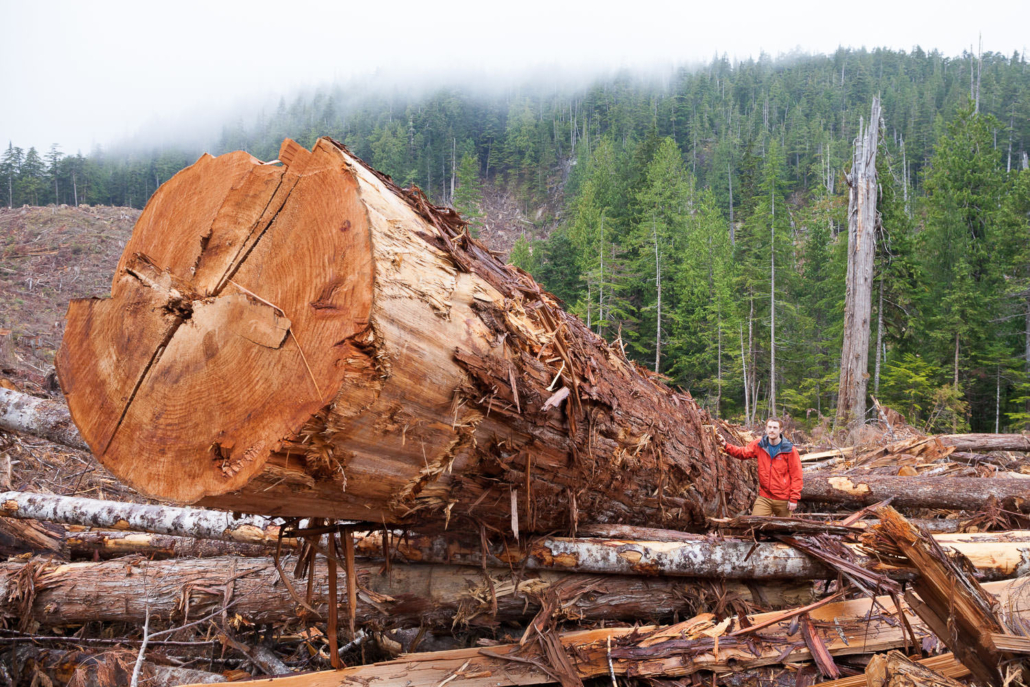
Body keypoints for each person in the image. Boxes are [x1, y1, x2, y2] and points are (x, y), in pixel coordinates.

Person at [716, 418, 802, 517]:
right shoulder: (760, 444)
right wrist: (725, 445)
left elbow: (797, 476)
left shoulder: (790, 450)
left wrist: (794, 499)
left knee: (785, 530)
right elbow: (743, 453)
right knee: (755, 524)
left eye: (775, 428)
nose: (772, 430)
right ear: (766, 428)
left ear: (780, 430)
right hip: (764, 497)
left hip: (783, 498)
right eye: (769, 427)